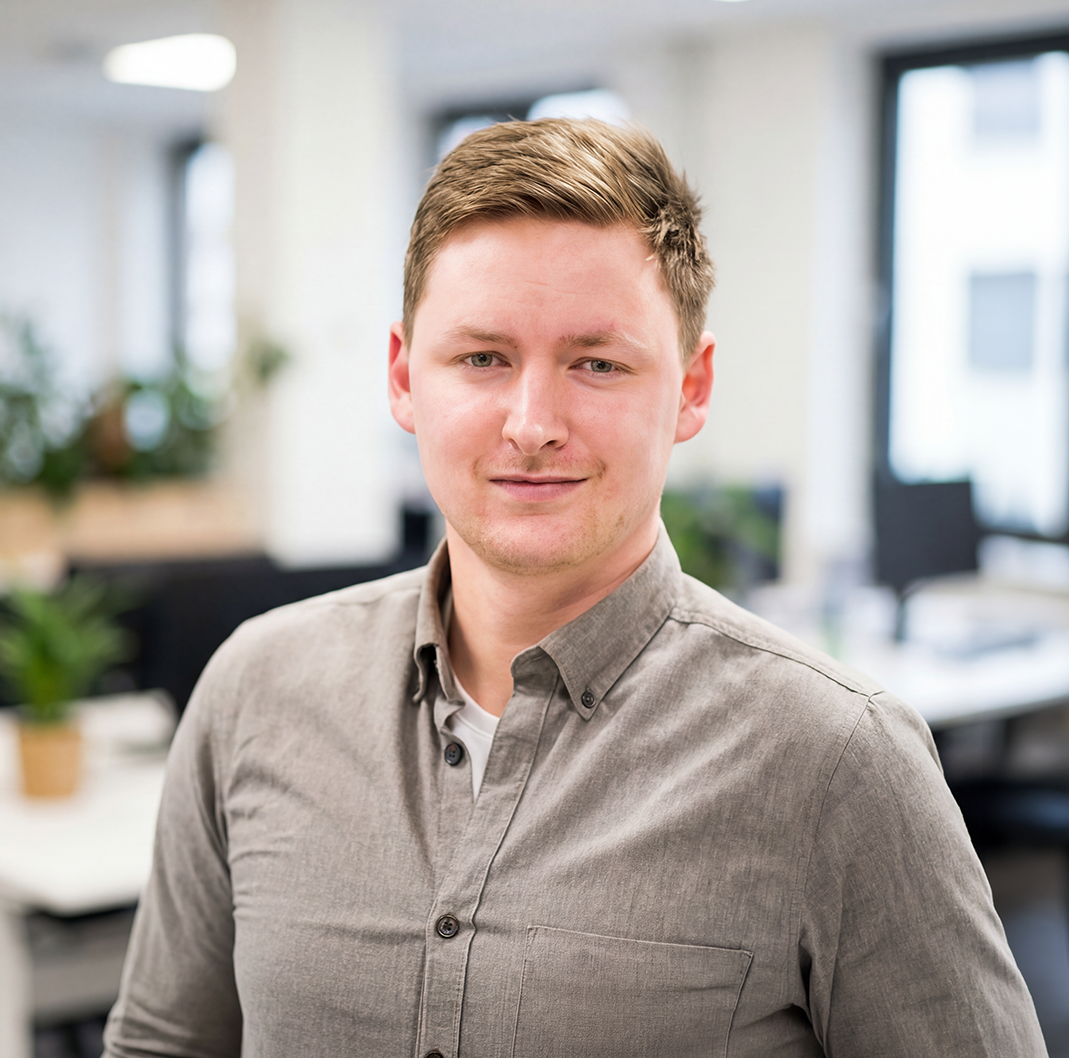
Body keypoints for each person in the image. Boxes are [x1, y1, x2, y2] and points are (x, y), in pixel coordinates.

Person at [103, 118, 1046, 1058]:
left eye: (597, 363)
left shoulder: (839, 760)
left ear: (692, 388)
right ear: (402, 377)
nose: (531, 423)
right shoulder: (255, 693)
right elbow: (162, 1042)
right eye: (483, 358)